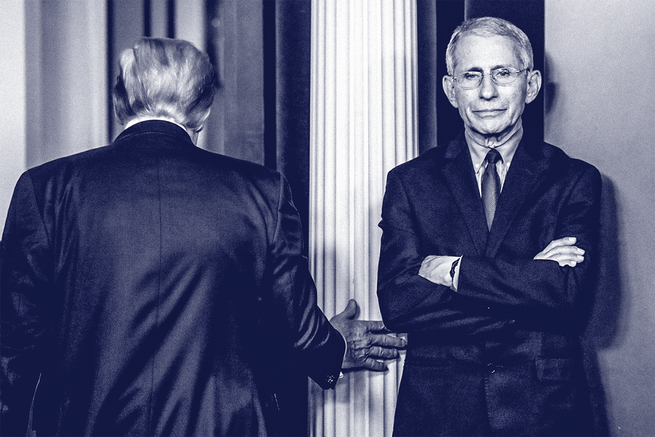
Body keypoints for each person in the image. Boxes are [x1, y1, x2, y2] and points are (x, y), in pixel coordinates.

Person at [0, 37, 405, 437]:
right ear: (204, 110)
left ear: (119, 103)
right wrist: (334, 351)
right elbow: (296, 326)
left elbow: (13, 347)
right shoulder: (261, 190)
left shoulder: (45, 189)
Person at [377, 17, 601, 436]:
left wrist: (453, 270)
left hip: (546, 413)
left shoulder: (573, 179)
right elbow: (399, 304)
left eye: (503, 73)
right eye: (471, 75)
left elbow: (567, 295)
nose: (487, 92)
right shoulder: (410, 182)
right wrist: (529, 284)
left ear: (531, 85)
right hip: (438, 412)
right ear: (450, 89)